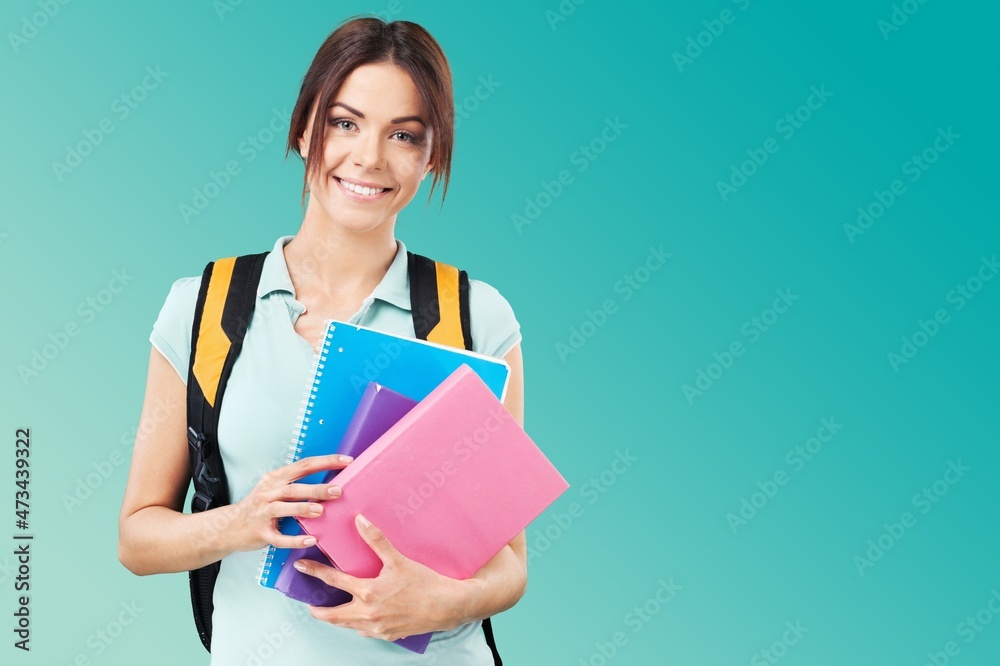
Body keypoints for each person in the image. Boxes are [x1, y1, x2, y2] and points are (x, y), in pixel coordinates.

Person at [117, 16, 527, 664]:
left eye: (405, 135)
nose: (369, 156)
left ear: (431, 156)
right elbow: (138, 538)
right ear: (306, 126)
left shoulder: (474, 317)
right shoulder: (201, 309)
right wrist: (241, 522)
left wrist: (440, 603)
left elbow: (509, 564)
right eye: (345, 122)